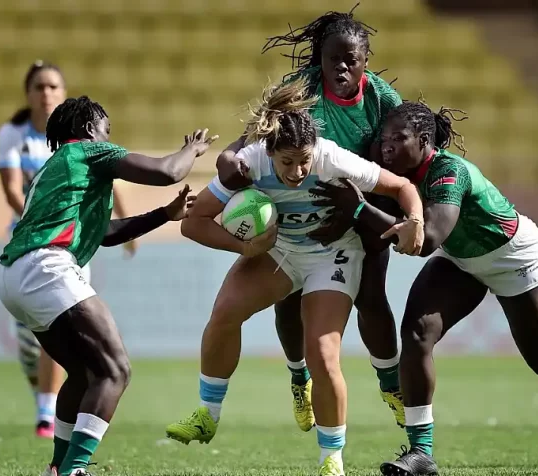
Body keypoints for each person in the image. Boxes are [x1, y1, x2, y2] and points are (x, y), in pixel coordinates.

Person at [314, 99, 538, 475]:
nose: (387, 145)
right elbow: (383, 238)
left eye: (398, 138)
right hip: (461, 261)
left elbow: (427, 240)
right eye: (384, 138)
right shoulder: (394, 172)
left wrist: (359, 209)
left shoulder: (449, 171)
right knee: (417, 332)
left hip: (514, 258)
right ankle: (420, 452)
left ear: (424, 140)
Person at [165, 77, 424, 476]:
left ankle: (331, 460)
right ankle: (207, 414)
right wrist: (245, 248)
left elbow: (403, 186)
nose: (298, 170)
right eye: (287, 162)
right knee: (224, 314)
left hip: (333, 255)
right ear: (269, 152)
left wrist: (416, 221)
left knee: (323, 353)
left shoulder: (331, 158)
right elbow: (193, 223)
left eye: (304, 160)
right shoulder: (251, 161)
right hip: (280, 250)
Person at [0, 95, 217, 476]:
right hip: (48, 267)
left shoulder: (55, 170)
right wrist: (191, 150)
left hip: (17, 275)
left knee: (84, 374)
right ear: (86, 130)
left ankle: (58, 466)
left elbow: (105, 233)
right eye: (106, 130)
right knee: (116, 370)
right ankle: (75, 469)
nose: (108, 138)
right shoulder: (87, 152)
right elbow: (167, 172)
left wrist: (164, 214)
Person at [216, 5, 406, 432]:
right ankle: (298, 378)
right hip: (296, 208)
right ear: (318, 58)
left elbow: (401, 155)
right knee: (289, 305)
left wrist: (369, 211)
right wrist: (229, 156)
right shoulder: (298, 88)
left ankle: (391, 383)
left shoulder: (382, 99)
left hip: (357, 205)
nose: (340, 66)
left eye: (350, 59)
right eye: (332, 58)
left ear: (365, 61)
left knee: (372, 295)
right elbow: (254, 136)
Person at [0, 61, 136, 438]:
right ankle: (66, 446)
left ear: (62, 94)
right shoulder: (14, 134)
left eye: (53, 87)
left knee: (68, 344)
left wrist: (130, 222)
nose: (46, 94)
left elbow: (109, 177)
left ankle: (47, 414)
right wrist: (40, 217)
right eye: (39, 87)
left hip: (68, 249)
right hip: (34, 247)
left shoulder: (83, 146)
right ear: (28, 93)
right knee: (40, 345)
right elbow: (11, 187)